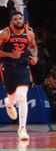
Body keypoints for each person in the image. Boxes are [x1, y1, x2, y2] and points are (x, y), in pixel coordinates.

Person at [1, 10, 38, 141]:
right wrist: (10, 55)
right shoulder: (5, 33)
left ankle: (22, 129)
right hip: (9, 67)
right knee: (12, 97)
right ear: (11, 23)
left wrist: (35, 57)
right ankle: (8, 103)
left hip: (23, 67)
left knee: (22, 96)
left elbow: (33, 47)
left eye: (20, 19)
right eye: (16, 19)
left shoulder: (29, 33)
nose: (19, 21)